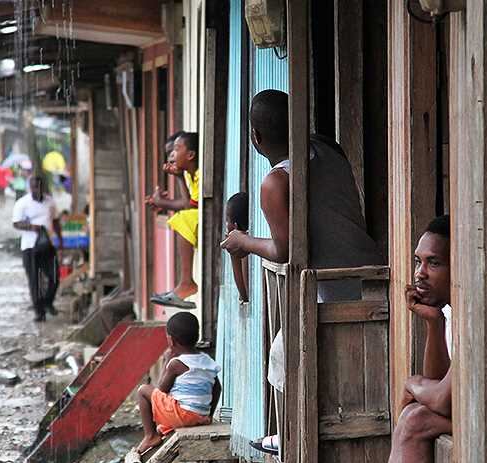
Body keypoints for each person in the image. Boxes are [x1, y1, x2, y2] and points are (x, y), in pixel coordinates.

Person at [310, 216, 452, 463]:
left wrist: (411, 384)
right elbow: (440, 382)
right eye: (418, 261)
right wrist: (433, 325)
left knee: (416, 416)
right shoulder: (451, 311)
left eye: (434, 263)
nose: (420, 274)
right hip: (467, 414)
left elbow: (443, 398)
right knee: (413, 416)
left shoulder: (480, 309)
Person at [221, 89, 383, 301]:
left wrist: (243, 242)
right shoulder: (328, 146)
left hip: (340, 294)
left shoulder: (275, 182)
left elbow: (284, 251)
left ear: (256, 136)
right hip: (377, 271)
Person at [133, 311, 222, 463]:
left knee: (143, 391)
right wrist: (207, 414)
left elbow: (160, 391)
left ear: (170, 341)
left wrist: (167, 361)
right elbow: (217, 388)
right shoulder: (207, 360)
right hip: (199, 416)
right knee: (162, 431)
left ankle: (149, 436)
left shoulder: (176, 364)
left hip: (181, 413)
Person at [147, 131, 201, 309]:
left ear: (191, 155)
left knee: (183, 218)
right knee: (182, 217)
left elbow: (189, 207)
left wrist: (162, 202)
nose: (171, 156)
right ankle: (185, 283)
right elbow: (189, 204)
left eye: (176, 150)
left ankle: (187, 283)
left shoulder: (200, 174)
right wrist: (178, 177)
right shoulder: (190, 175)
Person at [12, 174, 60, 322]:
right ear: (29, 188)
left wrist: (60, 241)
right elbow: (15, 223)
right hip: (30, 246)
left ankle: (48, 302)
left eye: (39, 186)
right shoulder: (22, 204)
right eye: (33, 187)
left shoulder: (50, 202)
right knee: (35, 280)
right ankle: (39, 311)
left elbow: (56, 221)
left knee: (54, 276)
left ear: (42, 187)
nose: (36, 190)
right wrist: (31, 226)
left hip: (48, 245)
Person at [225, 192, 249, 303]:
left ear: (235, 226)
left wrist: (233, 255)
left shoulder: (247, 249)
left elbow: (245, 296)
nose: (225, 224)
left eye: (227, 220)